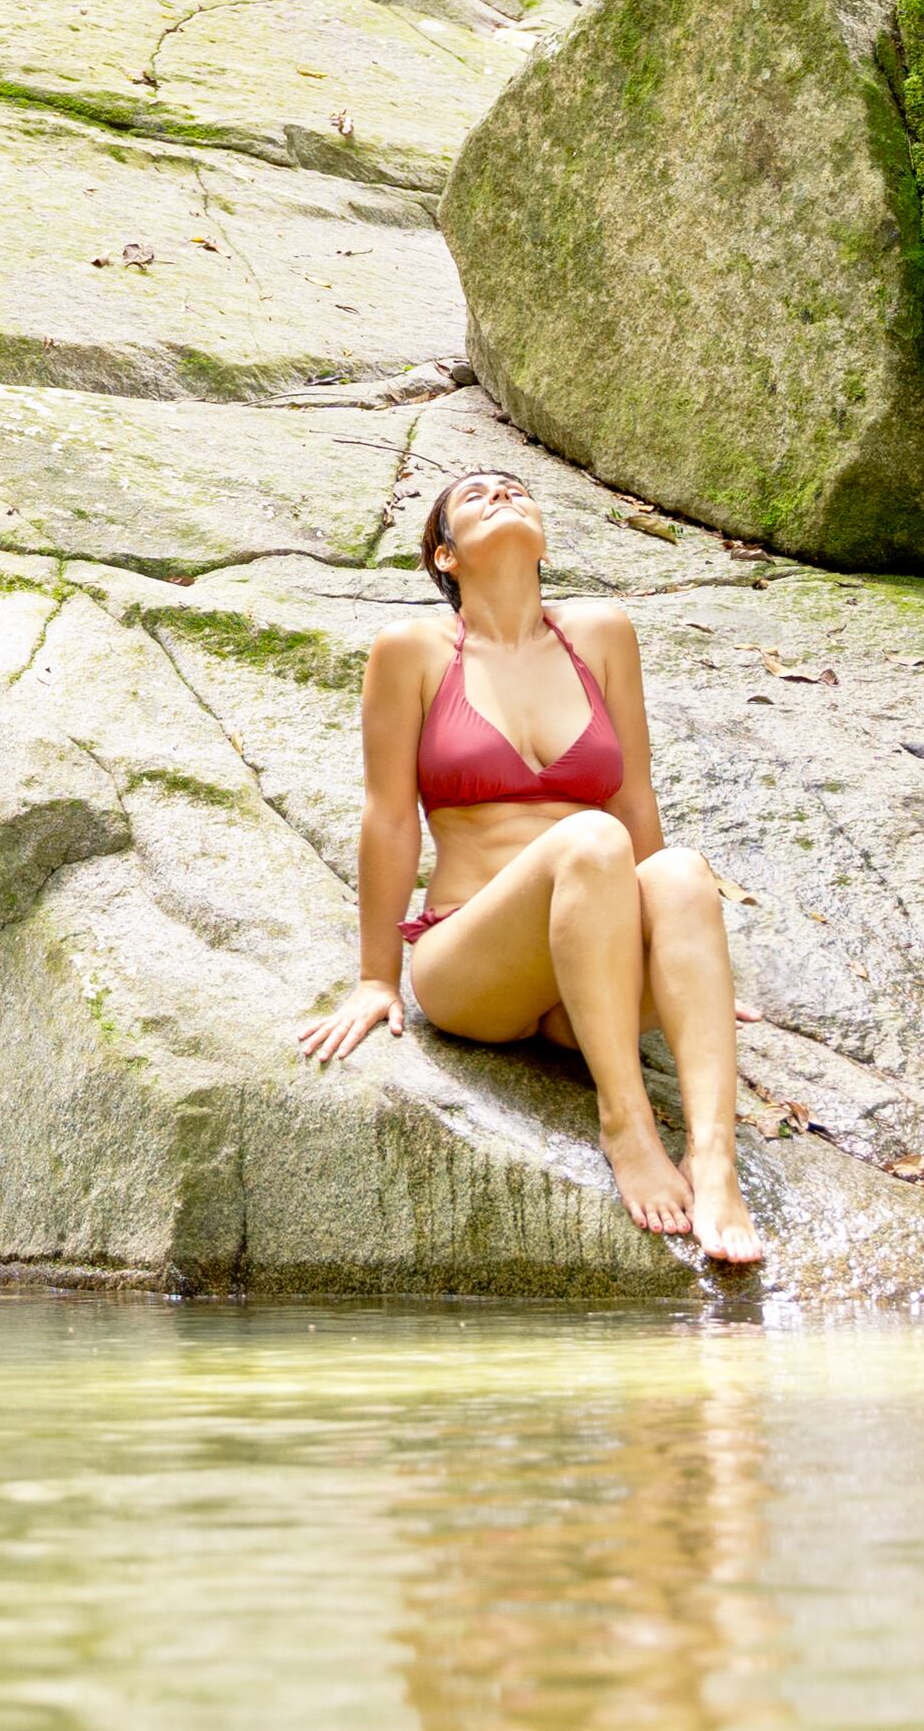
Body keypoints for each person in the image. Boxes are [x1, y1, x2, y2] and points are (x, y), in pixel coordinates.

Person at [297, 467, 762, 1267]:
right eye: (477, 495)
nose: (503, 496)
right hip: (476, 965)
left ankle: (714, 1163)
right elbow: (387, 816)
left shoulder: (603, 633)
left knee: (683, 872)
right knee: (589, 839)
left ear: (544, 537)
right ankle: (628, 1124)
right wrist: (377, 977)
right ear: (446, 557)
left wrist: (681, 948)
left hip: (587, 982)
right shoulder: (408, 651)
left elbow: (635, 797)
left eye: (515, 489)